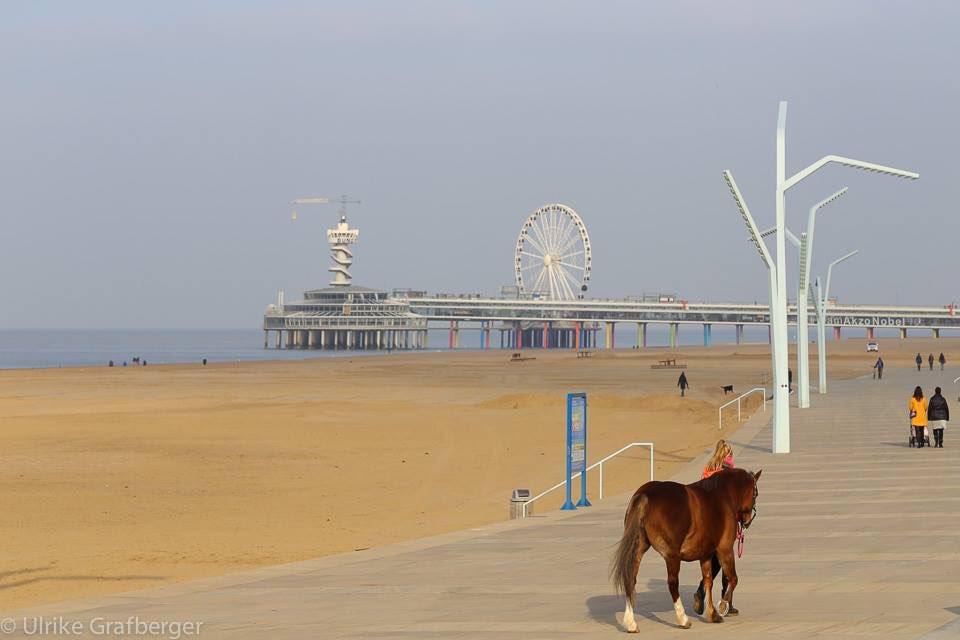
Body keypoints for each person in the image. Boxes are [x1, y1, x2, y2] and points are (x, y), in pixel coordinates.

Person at [693, 440, 735, 616]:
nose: (731, 457)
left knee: (711, 561)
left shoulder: (708, 468)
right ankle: (726, 600)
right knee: (725, 560)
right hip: (721, 522)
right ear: (727, 454)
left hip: (705, 521)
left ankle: (701, 592)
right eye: (730, 454)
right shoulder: (728, 472)